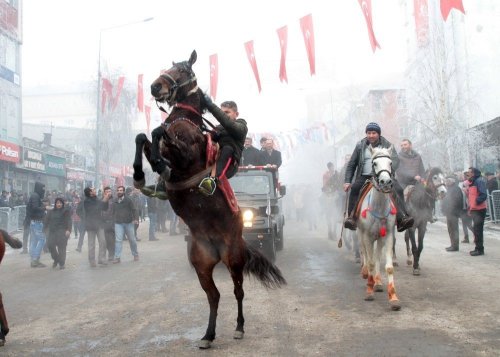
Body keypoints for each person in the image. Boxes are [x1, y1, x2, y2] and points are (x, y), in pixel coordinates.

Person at [343, 122, 414, 232]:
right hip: (365, 176)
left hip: (384, 175)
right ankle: (352, 218)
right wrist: (347, 181)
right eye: (368, 133)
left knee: (398, 189)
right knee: (355, 188)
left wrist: (387, 171)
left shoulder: (387, 145)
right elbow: (352, 164)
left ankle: (402, 218)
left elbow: (395, 160)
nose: (371, 135)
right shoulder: (360, 146)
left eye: (374, 133)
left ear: (379, 134)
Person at [199, 99, 248, 195]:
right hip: (215, 160)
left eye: (227, 112)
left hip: (231, 164)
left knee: (227, 148)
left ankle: (211, 181)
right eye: (222, 112)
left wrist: (211, 106)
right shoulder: (218, 128)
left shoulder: (242, 126)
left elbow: (230, 125)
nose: (223, 115)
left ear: (236, 114)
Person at [111, 186, 139, 264]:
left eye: (121, 190)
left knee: (132, 240)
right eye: (118, 190)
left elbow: (134, 209)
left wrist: (136, 219)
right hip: (118, 223)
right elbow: (112, 212)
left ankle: (135, 254)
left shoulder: (129, 200)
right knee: (118, 240)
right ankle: (117, 257)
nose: (119, 191)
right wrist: (112, 221)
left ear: (123, 192)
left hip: (128, 222)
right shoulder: (115, 200)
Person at [83, 186, 109, 267]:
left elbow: (104, 208)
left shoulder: (97, 199)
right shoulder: (87, 201)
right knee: (91, 244)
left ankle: (101, 258)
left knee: (103, 242)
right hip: (90, 225)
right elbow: (95, 208)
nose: (95, 190)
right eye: (93, 190)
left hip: (99, 224)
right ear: (90, 192)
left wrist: (106, 200)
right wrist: (104, 200)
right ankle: (92, 260)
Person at [44, 197, 72, 269]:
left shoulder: (66, 211)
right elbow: (46, 220)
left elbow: (69, 221)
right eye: (57, 203)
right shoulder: (51, 211)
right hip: (53, 232)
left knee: (62, 248)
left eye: (60, 203)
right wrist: (45, 228)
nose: (59, 204)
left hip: (62, 232)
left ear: (62, 204)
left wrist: (68, 230)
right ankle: (56, 259)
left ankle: (62, 263)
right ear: (55, 204)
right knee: (50, 246)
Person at [466, 167, 488, 256]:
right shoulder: (472, 182)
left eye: (469, 172)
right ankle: (477, 248)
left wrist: (476, 202)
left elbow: (483, 195)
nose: (468, 173)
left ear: (474, 173)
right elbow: (471, 197)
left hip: (479, 209)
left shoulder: (479, 181)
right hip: (475, 209)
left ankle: (480, 250)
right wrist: (470, 208)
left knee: (478, 230)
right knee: (476, 229)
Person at [441, 176, 466, 252]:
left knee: (454, 230)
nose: (446, 182)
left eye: (448, 180)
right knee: (450, 229)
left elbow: (457, 201)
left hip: (453, 212)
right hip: (449, 212)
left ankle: (455, 246)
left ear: (453, 181)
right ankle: (453, 245)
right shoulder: (450, 189)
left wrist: (450, 208)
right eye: (446, 180)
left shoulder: (456, 189)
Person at [27, 182, 48, 267]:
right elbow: (35, 208)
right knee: (42, 240)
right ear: (39, 188)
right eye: (42, 188)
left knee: (34, 240)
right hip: (37, 222)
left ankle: (33, 260)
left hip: (33, 221)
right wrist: (45, 208)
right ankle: (35, 260)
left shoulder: (35, 195)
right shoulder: (35, 196)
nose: (43, 190)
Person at [101, 187, 115, 261]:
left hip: (112, 222)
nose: (109, 193)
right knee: (105, 240)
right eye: (107, 191)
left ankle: (111, 254)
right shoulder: (101, 200)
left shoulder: (114, 200)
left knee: (112, 239)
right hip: (103, 222)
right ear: (104, 193)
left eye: (110, 191)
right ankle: (110, 253)